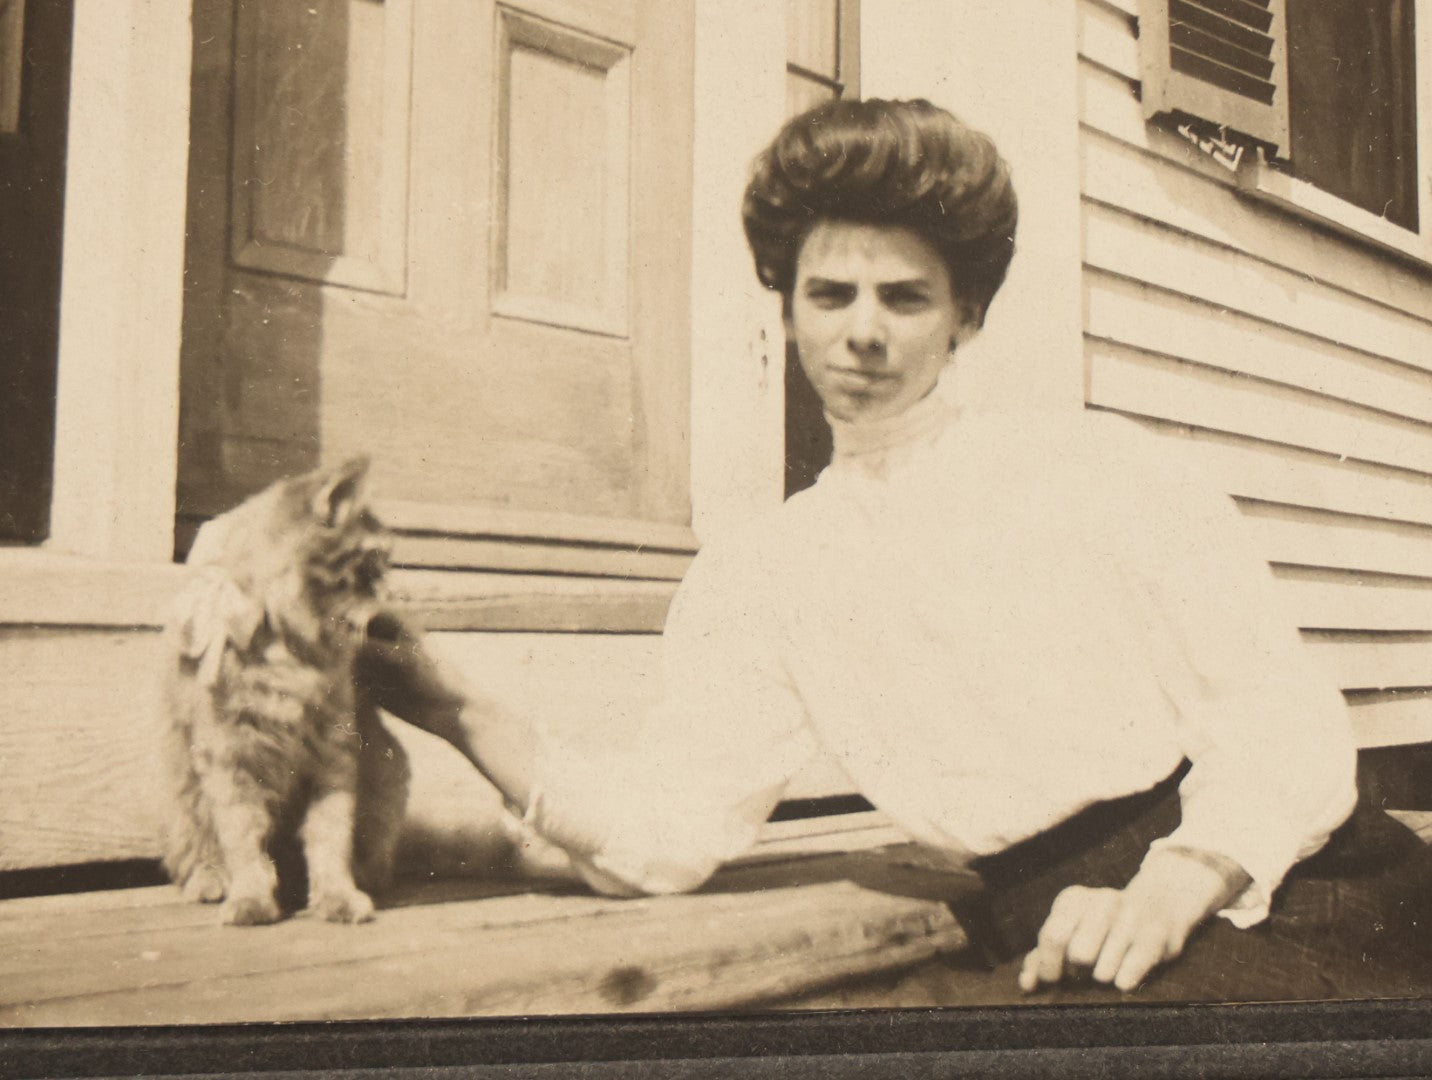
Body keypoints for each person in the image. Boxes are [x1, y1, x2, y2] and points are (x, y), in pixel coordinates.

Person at [363, 98, 1432, 1004]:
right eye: (829, 294)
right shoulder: (764, 574)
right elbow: (669, 831)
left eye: (904, 297)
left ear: (963, 313)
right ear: (784, 305)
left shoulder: (1096, 468)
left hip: (1283, 883)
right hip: (1054, 927)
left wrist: (1180, 876)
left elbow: (1275, 713)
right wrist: (459, 710)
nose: (861, 332)